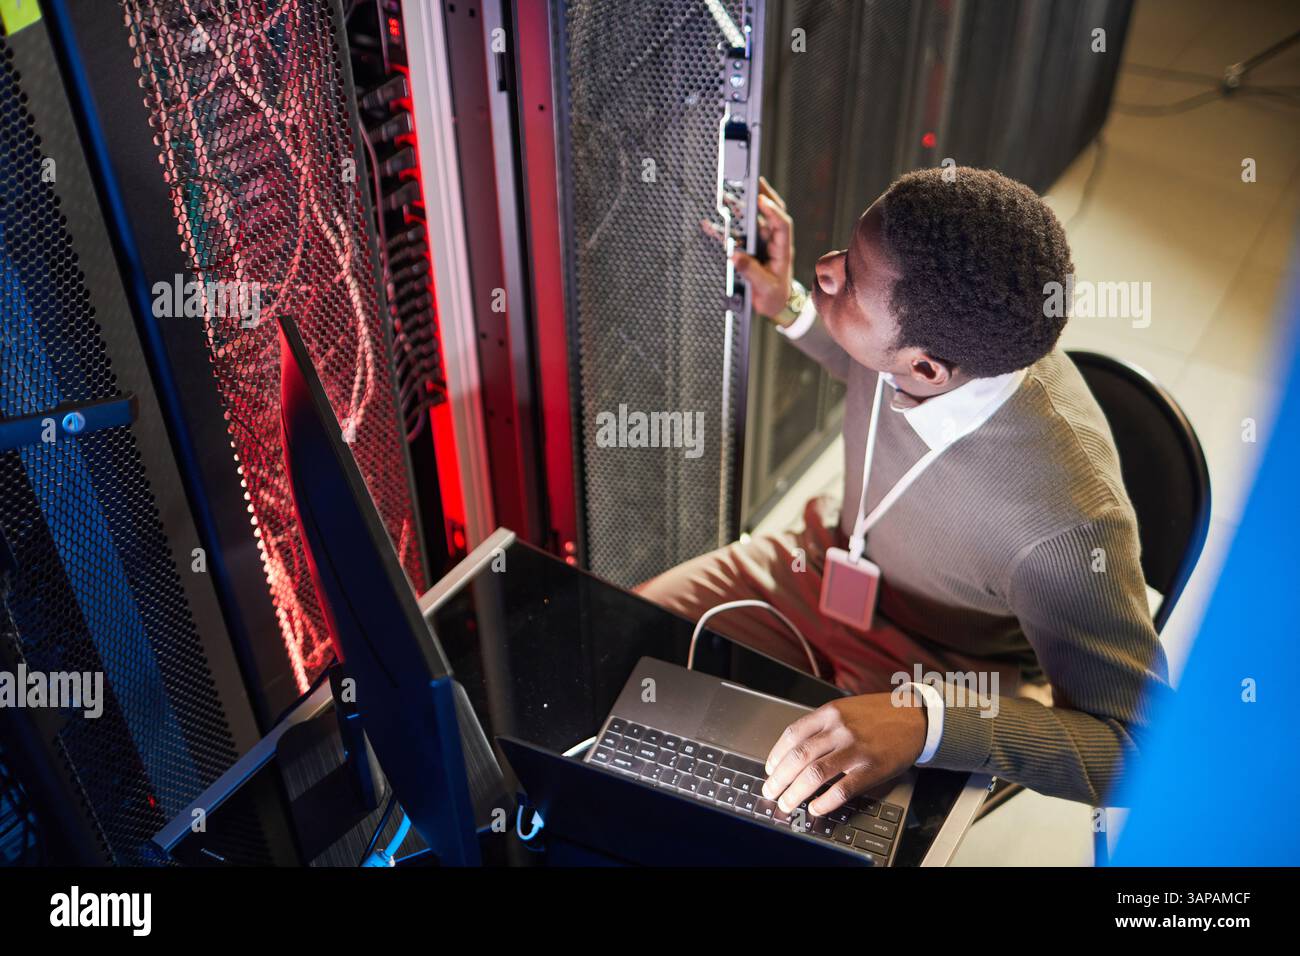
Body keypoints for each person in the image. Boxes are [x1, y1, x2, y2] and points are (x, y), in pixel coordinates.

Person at [637, 167, 1170, 819]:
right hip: (818, 566)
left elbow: (1135, 750)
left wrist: (929, 722)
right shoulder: (929, 344)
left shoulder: (1067, 520)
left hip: (939, 669)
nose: (827, 267)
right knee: (624, 637)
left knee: (774, 820)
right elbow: (867, 358)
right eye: (844, 255)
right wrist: (794, 306)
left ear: (927, 369)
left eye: (850, 283)